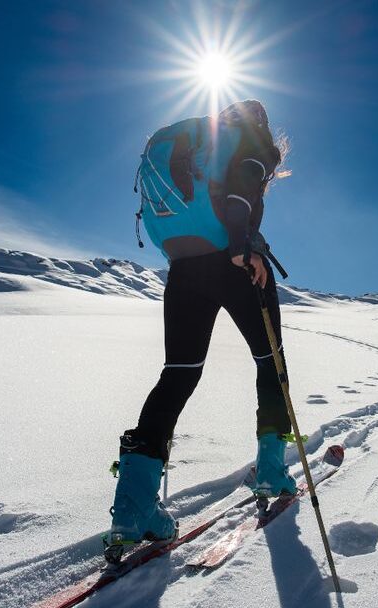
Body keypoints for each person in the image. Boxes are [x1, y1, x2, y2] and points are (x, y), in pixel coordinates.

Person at [107, 100, 293, 551]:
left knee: (179, 373)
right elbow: (241, 189)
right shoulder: (252, 144)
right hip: (236, 262)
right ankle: (271, 471)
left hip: (184, 268)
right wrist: (241, 245)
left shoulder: (198, 145)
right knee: (270, 362)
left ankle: (133, 507)